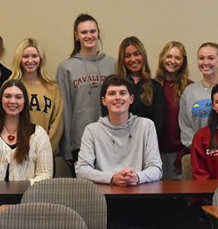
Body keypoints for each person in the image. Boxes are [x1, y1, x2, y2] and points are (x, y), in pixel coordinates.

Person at [56, 14, 116, 172]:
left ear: (98, 33)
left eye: (92, 31)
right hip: (80, 142)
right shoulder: (66, 67)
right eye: (83, 32)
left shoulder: (112, 64)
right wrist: (66, 147)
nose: (89, 36)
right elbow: (65, 109)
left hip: (111, 139)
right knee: (85, 193)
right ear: (76, 36)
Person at [76, 75, 162, 185]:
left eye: (122, 93)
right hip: (105, 195)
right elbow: (81, 170)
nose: (118, 97)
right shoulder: (92, 130)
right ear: (104, 101)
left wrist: (136, 177)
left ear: (131, 99)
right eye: (112, 93)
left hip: (139, 191)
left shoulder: (146, 126)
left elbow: (156, 168)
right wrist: (112, 177)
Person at [9, 38, 63, 155]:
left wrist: (45, 150)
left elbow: (56, 125)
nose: (30, 60)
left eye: (34, 56)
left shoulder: (53, 88)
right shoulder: (10, 86)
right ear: (19, 59)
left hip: (44, 152)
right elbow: (4, 120)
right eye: (25, 56)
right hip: (14, 152)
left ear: (41, 59)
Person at [154, 41, 193, 180]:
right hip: (156, 152)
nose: (172, 61)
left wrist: (184, 153)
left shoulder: (190, 88)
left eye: (178, 58)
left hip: (180, 152)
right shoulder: (152, 86)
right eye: (169, 56)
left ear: (183, 61)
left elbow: (192, 123)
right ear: (162, 58)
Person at [111, 36, 165, 133]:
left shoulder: (155, 87)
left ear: (143, 56)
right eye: (127, 56)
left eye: (137, 54)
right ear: (122, 59)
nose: (133, 59)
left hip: (146, 143)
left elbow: (158, 125)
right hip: (118, 142)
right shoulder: (113, 86)